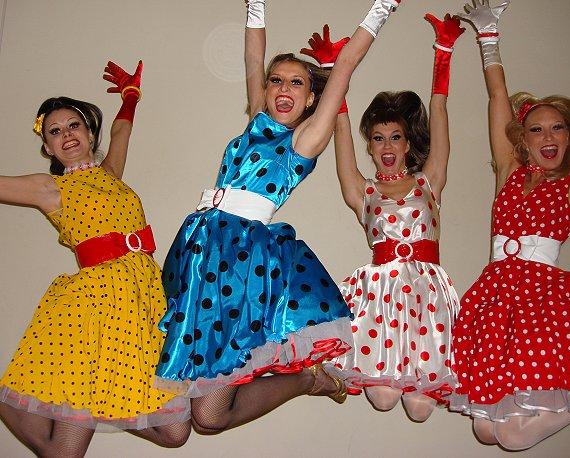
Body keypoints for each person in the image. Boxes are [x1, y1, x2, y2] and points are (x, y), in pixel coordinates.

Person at [155, 0, 402, 434]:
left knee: (209, 417)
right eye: (276, 80)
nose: (284, 88)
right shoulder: (256, 120)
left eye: (297, 82)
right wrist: (256, 5)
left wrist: (380, 8)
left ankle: (309, 380)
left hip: (239, 259)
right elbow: (254, 58)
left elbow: (345, 65)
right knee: (195, 415)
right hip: (198, 251)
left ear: (311, 98)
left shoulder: (304, 139)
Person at [0, 61, 191, 457]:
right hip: (94, 306)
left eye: (74, 125)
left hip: (143, 301)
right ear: (47, 148)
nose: (66, 135)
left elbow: (121, 131)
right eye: (54, 131)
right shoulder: (50, 188)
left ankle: (103, 401)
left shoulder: (110, 173)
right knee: (67, 453)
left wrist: (130, 96)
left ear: (89, 133)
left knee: (175, 432)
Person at [449, 0, 570, 450]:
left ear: (569, 138)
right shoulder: (509, 173)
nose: (548, 137)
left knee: (511, 437)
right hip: (497, 299)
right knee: (484, 429)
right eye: (536, 129)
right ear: (523, 139)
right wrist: (488, 38)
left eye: (558, 128)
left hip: (543, 302)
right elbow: (498, 98)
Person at [317, 14, 464, 422]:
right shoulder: (361, 192)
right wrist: (331, 72)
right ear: (370, 145)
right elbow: (340, 128)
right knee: (382, 398)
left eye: (395, 137)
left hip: (428, 301)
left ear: (407, 143)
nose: (386, 146)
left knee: (420, 410)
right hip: (380, 300)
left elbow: (439, 111)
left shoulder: (430, 182)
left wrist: (444, 53)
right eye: (378, 138)